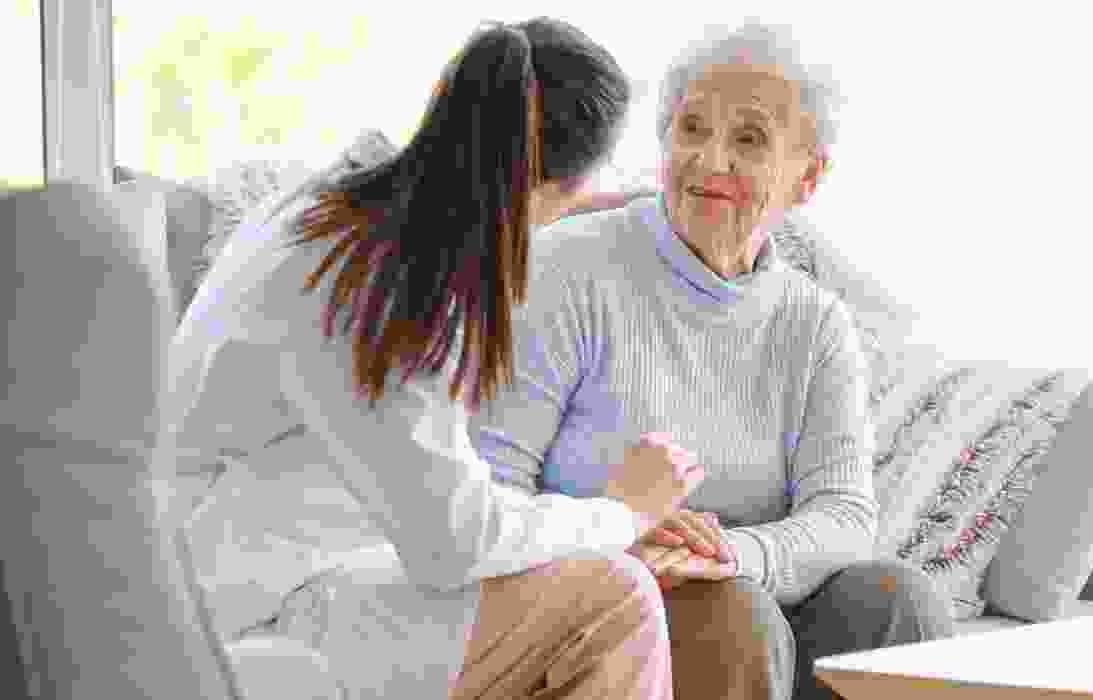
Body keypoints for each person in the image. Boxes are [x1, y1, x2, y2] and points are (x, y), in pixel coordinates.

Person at [156, 17, 706, 700]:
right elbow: (454, 542)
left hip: (233, 565)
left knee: (578, 583)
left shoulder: (329, 207)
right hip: (241, 607)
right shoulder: (384, 288)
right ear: (556, 190)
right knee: (615, 600)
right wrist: (620, 514)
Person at [470, 19, 956, 700]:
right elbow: (489, 489)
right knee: (728, 612)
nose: (709, 159)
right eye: (691, 128)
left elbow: (845, 517)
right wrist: (619, 540)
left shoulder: (816, 324)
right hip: (593, 604)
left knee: (898, 601)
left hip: (743, 591)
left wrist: (730, 553)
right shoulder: (566, 268)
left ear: (808, 177)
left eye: (749, 139)